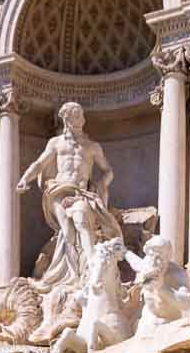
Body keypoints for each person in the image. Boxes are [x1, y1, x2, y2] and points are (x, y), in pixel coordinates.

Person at [17, 101, 122, 289]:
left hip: (81, 193)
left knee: (81, 221)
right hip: (59, 190)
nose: (81, 119)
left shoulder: (92, 146)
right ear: (66, 118)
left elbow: (108, 171)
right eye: (76, 115)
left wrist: (100, 185)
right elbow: (40, 164)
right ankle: (67, 277)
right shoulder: (56, 143)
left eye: (81, 115)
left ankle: (91, 268)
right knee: (67, 230)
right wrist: (25, 179)